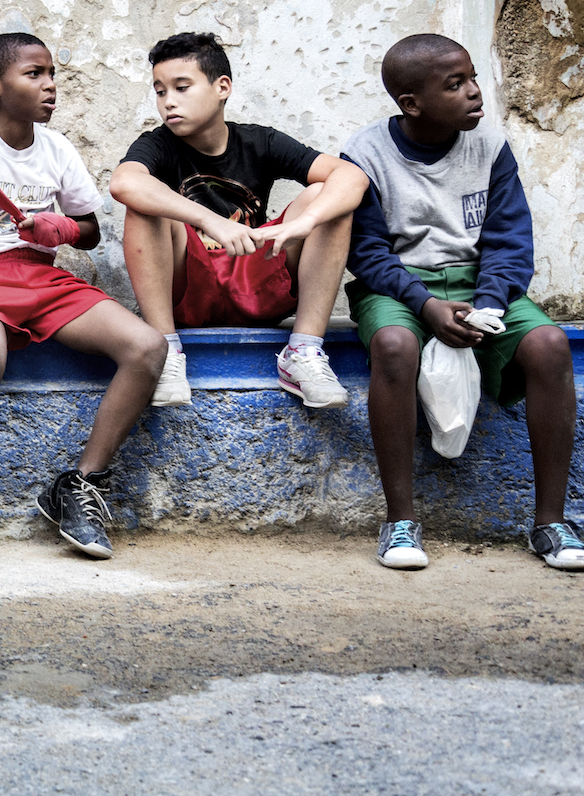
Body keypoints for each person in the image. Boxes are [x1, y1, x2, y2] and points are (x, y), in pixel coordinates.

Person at [0, 32, 166, 564]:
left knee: (147, 347)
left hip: (42, 280)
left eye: (51, 74)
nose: (50, 86)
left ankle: (80, 486)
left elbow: (89, 229)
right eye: (34, 74)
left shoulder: (56, 148)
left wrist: (59, 230)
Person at [341, 34, 581, 573]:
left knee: (548, 343)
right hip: (400, 286)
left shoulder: (490, 148)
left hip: (479, 285)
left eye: (472, 78)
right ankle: (399, 522)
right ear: (411, 103)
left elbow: (510, 243)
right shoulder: (364, 155)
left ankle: (550, 522)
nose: (476, 93)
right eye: (457, 85)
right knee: (395, 345)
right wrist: (425, 306)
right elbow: (369, 255)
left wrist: (489, 305)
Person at [110, 32, 369, 408]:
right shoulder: (158, 143)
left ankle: (304, 353)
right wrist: (213, 221)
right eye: (160, 91)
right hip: (190, 288)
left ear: (222, 87)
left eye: (182, 87)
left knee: (326, 198)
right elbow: (124, 182)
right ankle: (165, 352)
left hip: (258, 279)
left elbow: (352, 177)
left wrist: (303, 223)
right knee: (143, 204)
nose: (168, 102)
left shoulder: (259, 142)